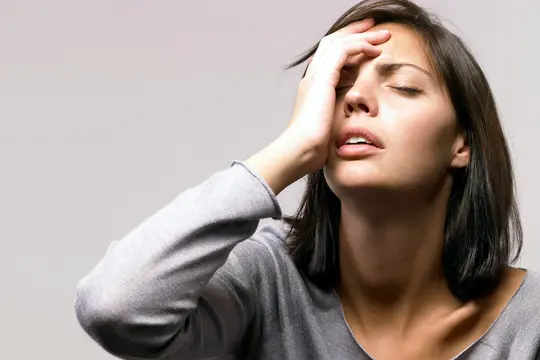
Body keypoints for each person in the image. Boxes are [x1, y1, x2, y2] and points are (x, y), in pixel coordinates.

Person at [74, 0, 540, 359]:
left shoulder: (529, 322)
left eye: (402, 86)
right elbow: (115, 308)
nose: (356, 98)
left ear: (463, 144)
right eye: (336, 88)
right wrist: (293, 148)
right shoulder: (269, 278)